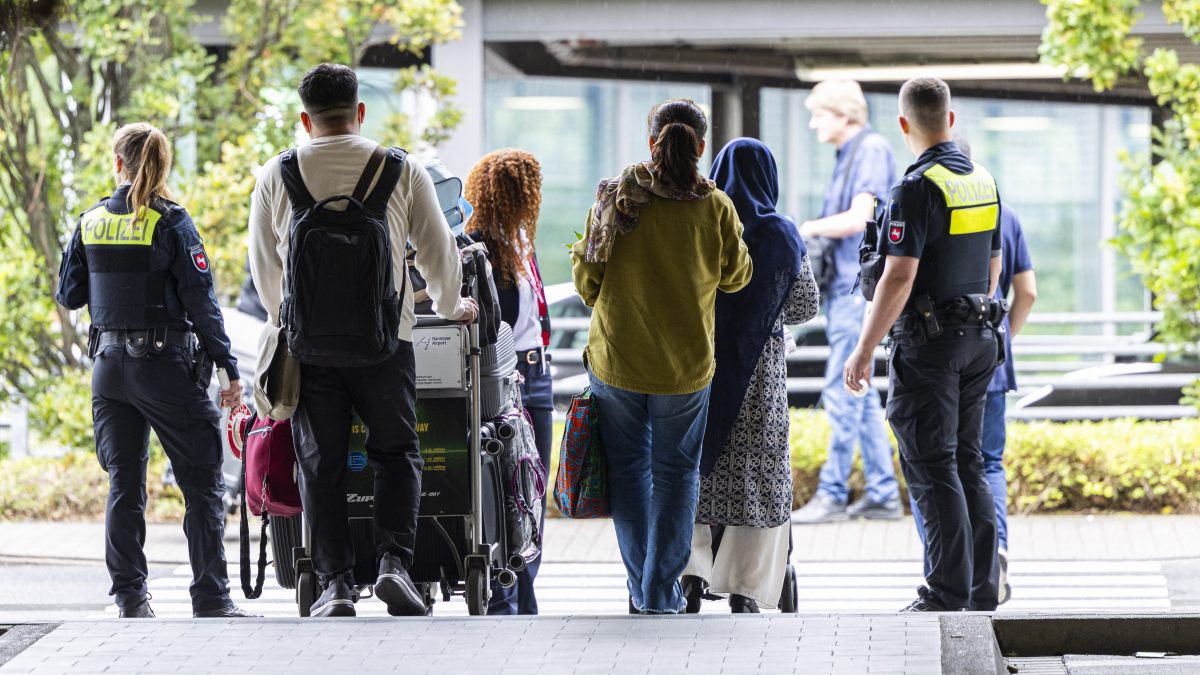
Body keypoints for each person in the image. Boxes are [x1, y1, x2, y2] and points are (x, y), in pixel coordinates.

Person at [248, 64, 477, 618]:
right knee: (397, 454)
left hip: (313, 351)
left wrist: (292, 319)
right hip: (386, 343)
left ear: (305, 120)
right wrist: (452, 306)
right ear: (360, 112)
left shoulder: (276, 175)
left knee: (320, 463)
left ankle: (335, 584)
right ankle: (395, 564)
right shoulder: (403, 169)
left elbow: (265, 270)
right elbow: (437, 252)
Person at [56, 122, 256, 619]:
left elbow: (69, 295)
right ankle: (210, 596)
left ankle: (129, 597)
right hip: (164, 368)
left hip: (108, 370)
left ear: (117, 164)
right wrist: (229, 370)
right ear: (164, 167)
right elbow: (204, 306)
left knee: (124, 482)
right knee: (202, 479)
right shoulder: (172, 224)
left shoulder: (90, 221)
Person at [572, 98, 753, 614]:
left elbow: (588, 282)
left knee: (630, 474)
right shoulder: (714, 205)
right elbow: (739, 276)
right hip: (686, 366)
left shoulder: (614, 198)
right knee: (677, 475)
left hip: (618, 360)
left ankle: (640, 588)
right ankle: (659, 593)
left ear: (652, 141)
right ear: (700, 147)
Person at [845, 77, 1006, 612]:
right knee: (967, 462)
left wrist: (864, 347)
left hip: (930, 345)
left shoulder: (914, 188)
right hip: (981, 337)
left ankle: (944, 593)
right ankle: (982, 589)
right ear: (951, 119)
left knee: (932, 467)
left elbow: (898, 277)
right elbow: (993, 265)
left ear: (903, 124)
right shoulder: (982, 180)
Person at [682, 138, 820, 613]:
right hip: (759, 375)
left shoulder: (703, 220)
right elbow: (804, 306)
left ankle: (691, 575)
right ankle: (745, 586)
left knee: (695, 471)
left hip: (698, 366)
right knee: (758, 477)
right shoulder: (781, 232)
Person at [910, 135, 1037, 605]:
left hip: (942, 354)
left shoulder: (927, 197)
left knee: (938, 462)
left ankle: (946, 568)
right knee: (982, 464)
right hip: (990, 356)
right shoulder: (1000, 208)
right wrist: (1002, 339)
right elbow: (1024, 290)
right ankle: (992, 558)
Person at [792, 80, 902, 524]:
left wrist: (807, 227)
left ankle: (833, 494)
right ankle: (882, 494)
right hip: (847, 292)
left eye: (820, 113)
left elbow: (861, 218)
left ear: (843, 114)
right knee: (862, 398)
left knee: (842, 393)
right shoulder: (854, 152)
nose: (815, 122)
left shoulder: (869, 149)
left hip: (854, 295)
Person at [463, 149, 554, 615]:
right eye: (529, 187)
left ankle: (526, 591)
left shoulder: (521, 238)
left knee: (533, 487)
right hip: (505, 374)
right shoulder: (478, 243)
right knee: (507, 486)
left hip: (538, 373)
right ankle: (509, 596)